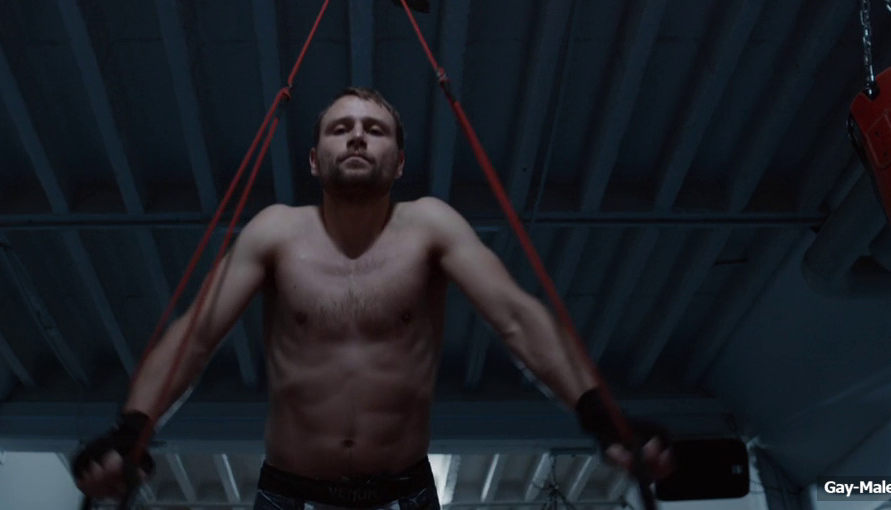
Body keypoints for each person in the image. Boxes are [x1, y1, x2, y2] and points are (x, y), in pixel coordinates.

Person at [72, 88, 673, 509]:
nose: (357, 136)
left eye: (374, 129)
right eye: (340, 128)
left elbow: (518, 319)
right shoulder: (275, 231)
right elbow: (195, 336)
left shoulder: (431, 226)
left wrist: (601, 418)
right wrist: (132, 433)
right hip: (289, 490)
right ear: (315, 160)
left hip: (403, 491)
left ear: (399, 161)